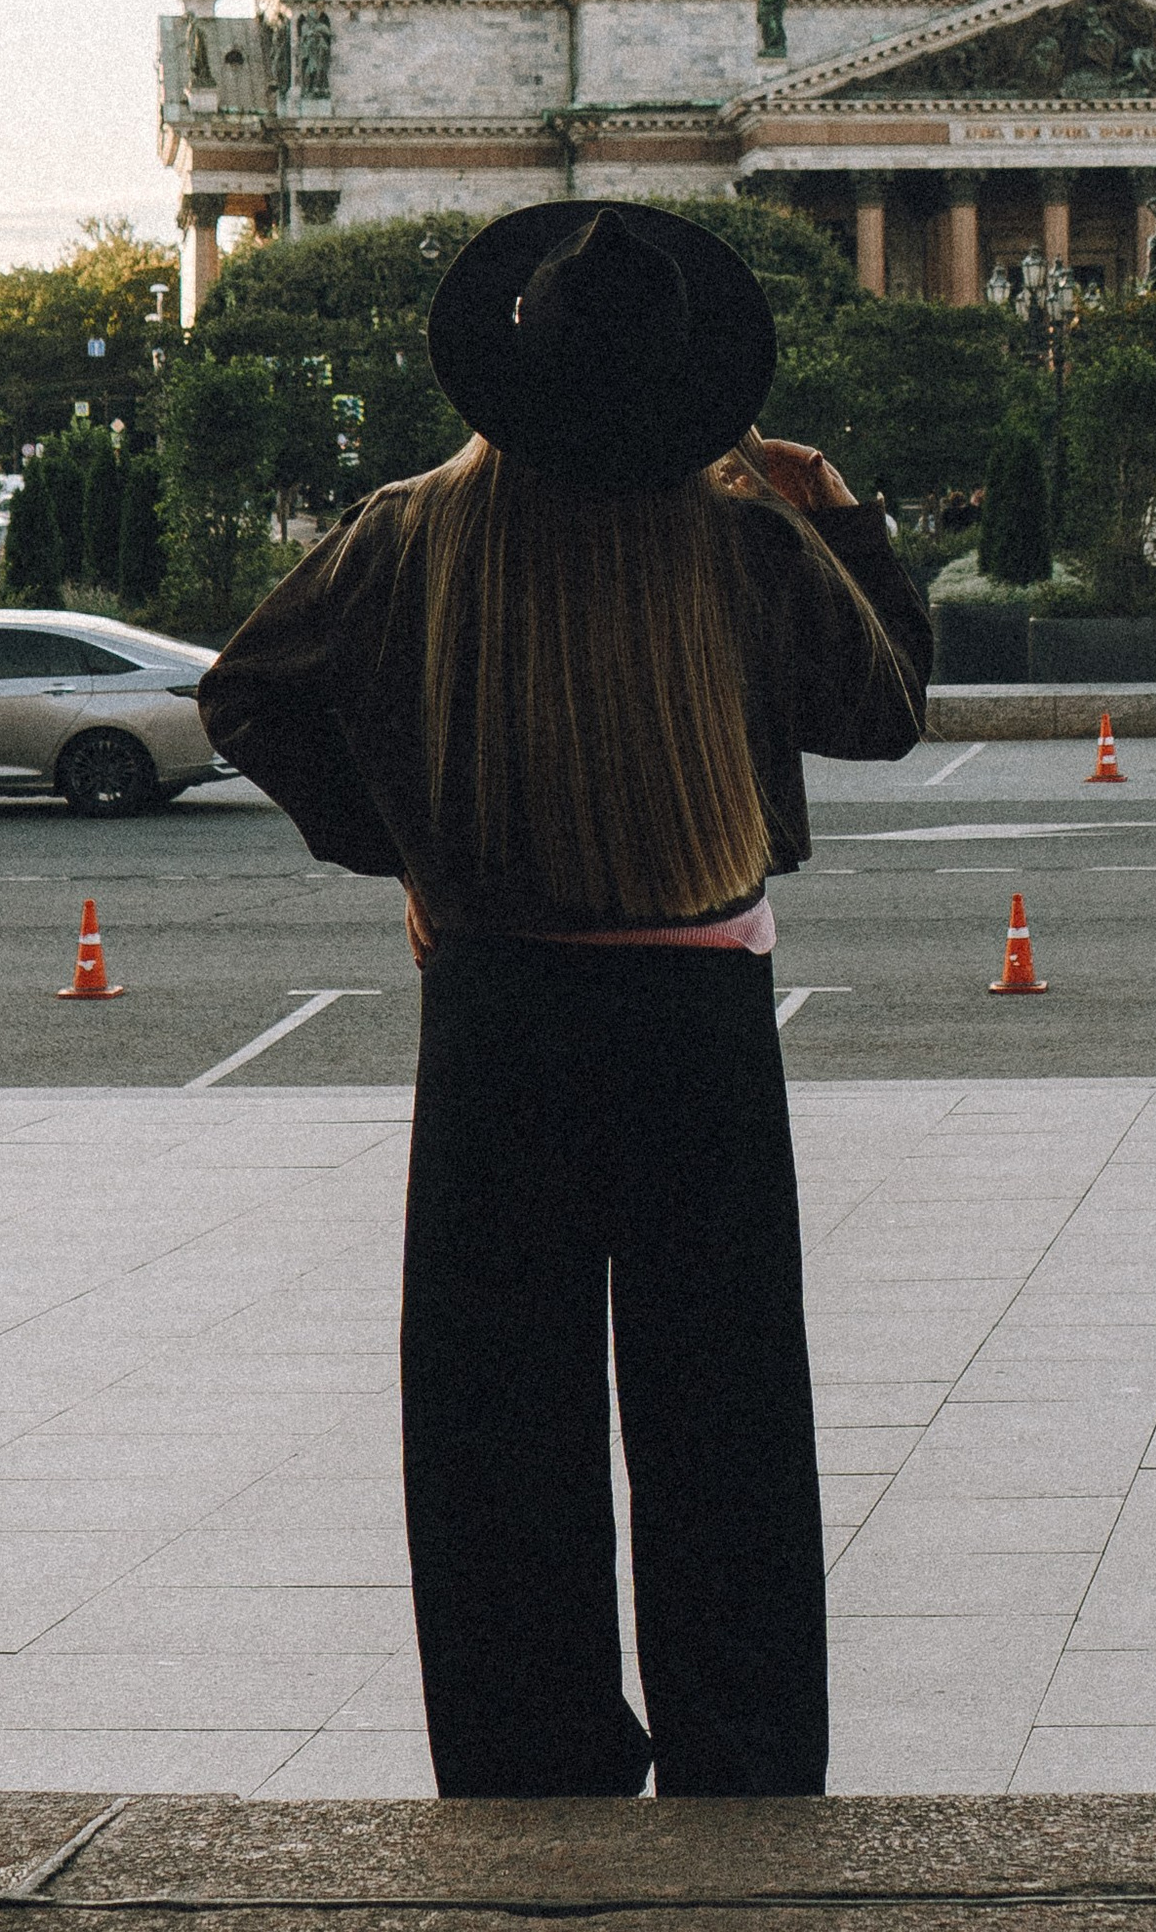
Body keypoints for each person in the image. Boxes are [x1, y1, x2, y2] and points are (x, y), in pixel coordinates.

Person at [197, 203, 930, 1804]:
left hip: (499, 1008)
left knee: (494, 1425)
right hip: (697, 1017)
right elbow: (885, 711)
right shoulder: (737, 538)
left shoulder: (411, 531)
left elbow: (246, 697)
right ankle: (743, 1764)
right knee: (726, 1420)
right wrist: (836, 512)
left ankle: (530, 1771)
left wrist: (408, 849)